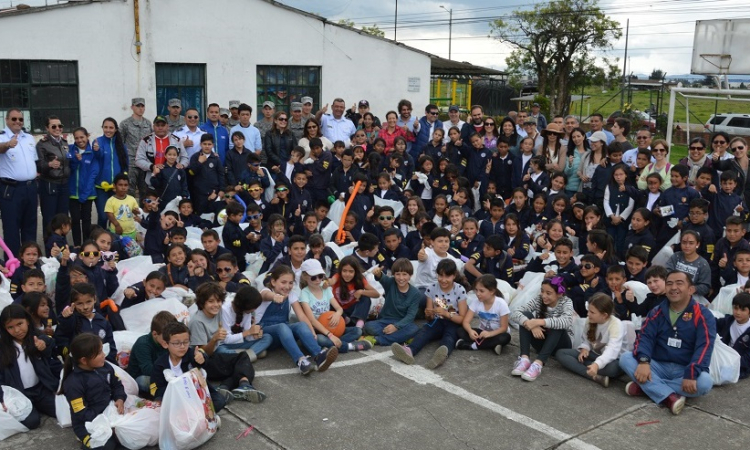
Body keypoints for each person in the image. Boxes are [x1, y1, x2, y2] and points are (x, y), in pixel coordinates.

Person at [619, 270, 716, 415]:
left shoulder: (703, 315)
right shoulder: (657, 311)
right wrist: (644, 361)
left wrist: (691, 373)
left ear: (690, 289)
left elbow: (705, 347)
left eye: (679, 283)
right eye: (669, 283)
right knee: (625, 358)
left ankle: (646, 387)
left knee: (705, 382)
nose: (673, 287)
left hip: (684, 369)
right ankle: (668, 397)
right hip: (657, 365)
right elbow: (644, 337)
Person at [188, 282, 266, 401]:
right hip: (203, 362)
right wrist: (214, 339)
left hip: (216, 353)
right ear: (202, 302)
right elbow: (202, 354)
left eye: (218, 301)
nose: (216, 305)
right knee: (240, 362)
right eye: (211, 301)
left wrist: (253, 330)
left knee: (241, 358)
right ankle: (241, 384)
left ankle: (227, 387)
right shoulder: (198, 321)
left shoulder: (218, 312)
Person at [391, 259, 468, 369]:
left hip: (453, 322)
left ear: (454, 276)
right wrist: (428, 313)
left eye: (447, 276)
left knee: (449, 336)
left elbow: (462, 319)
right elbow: (429, 318)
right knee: (425, 331)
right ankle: (409, 350)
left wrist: (446, 314)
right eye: (440, 276)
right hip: (437, 321)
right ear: (437, 275)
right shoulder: (432, 288)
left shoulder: (460, 290)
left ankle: (441, 355)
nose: (443, 280)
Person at [59, 333, 126, 450]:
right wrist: (105, 419)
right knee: (106, 446)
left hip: (110, 413)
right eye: (99, 353)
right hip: (88, 423)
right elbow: (82, 414)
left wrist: (119, 399)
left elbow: (117, 385)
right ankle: (86, 441)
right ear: (84, 360)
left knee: (132, 434)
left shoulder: (105, 367)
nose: (104, 355)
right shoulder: (73, 383)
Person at [0, 304, 60, 430]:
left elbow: (50, 344)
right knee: (32, 422)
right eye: (10, 327)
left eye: (20, 324)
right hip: (19, 392)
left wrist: (44, 345)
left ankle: (38, 405)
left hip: (40, 389)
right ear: (4, 328)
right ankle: (33, 408)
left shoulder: (36, 338)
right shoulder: (3, 348)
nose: (17, 330)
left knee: (61, 411)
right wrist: (2, 398)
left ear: (27, 320)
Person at [557, 293, 630, 387]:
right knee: (561, 353)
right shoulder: (590, 320)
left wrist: (596, 365)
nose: (588, 314)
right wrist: (585, 349)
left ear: (604, 315)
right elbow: (586, 340)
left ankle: (588, 369)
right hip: (595, 355)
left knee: (612, 369)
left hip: (613, 360)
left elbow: (612, 350)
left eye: (592, 312)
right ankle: (594, 376)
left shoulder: (616, 325)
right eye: (588, 311)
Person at [298, 259, 371, 354]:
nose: (318, 280)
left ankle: (331, 345)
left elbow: (339, 308)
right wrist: (330, 335)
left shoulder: (326, 289)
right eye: (313, 277)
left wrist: (337, 314)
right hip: (318, 330)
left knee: (357, 331)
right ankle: (348, 346)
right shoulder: (304, 294)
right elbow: (312, 320)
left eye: (320, 276)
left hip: (332, 326)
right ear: (304, 277)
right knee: (320, 339)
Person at [510, 277, 573, 382]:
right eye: (542, 291)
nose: (544, 295)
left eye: (548, 293)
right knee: (526, 315)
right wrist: (530, 324)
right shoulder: (539, 299)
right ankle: (524, 359)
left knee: (557, 325)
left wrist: (539, 322)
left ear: (559, 294)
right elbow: (515, 312)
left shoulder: (566, 302)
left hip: (561, 345)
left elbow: (566, 321)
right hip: (542, 341)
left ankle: (538, 364)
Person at [0, 109, 39, 257]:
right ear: (7, 120)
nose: (18, 122)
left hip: (30, 188)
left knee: (30, 227)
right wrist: (8, 145)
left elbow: (33, 160)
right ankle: (14, 264)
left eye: (20, 119)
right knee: (12, 229)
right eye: (14, 119)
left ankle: (30, 262)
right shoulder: (2, 137)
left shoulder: (28, 138)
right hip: (11, 189)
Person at [126, 310, 175, 396]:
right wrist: (169, 373)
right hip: (144, 376)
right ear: (155, 334)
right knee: (143, 381)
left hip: (165, 374)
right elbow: (148, 370)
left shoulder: (168, 342)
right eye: (166, 337)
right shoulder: (143, 344)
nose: (169, 340)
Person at [36, 115, 70, 232]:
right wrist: (49, 164)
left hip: (64, 184)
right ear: (47, 128)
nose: (57, 128)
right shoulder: (42, 144)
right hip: (50, 185)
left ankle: (61, 246)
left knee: (63, 219)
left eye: (60, 126)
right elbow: (38, 165)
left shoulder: (64, 143)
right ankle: (50, 248)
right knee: (50, 219)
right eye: (53, 126)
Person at [135, 115, 188, 190]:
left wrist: (182, 165)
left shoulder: (176, 140)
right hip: (152, 181)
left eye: (163, 125)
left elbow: (185, 157)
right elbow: (138, 160)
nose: (160, 128)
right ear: (153, 126)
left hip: (173, 181)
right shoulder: (145, 141)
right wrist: (152, 166)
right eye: (158, 125)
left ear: (167, 126)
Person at [68, 127, 98, 246]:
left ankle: (86, 245)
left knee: (86, 220)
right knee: (75, 220)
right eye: (76, 138)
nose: (80, 140)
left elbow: (93, 174)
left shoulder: (93, 153)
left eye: (82, 137)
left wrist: (85, 194)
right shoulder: (70, 150)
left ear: (87, 136)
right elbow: (69, 169)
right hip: (73, 193)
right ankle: (76, 245)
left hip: (88, 194)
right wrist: (76, 160)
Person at [120, 97, 153, 197]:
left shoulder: (148, 123)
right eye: (138, 106)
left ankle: (143, 212)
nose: (140, 108)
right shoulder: (125, 124)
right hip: (131, 162)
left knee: (144, 191)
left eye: (142, 106)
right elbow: (120, 143)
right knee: (129, 190)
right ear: (132, 107)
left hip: (144, 162)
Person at [715, 292, 750, 380]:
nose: (738, 312)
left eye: (743, 310)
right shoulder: (729, 321)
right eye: (735, 308)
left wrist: (733, 363)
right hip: (723, 357)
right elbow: (713, 323)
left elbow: (748, 357)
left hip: (739, 365)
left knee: (721, 376)